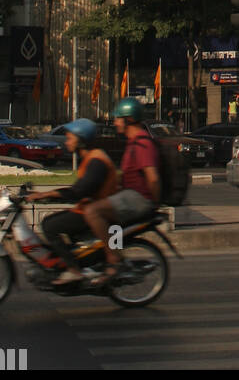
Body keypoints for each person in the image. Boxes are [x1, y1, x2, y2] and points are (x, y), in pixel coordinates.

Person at [24, 119, 118, 286]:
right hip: (88, 209)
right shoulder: (90, 157)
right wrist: (47, 196)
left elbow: (79, 191)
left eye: (70, 138)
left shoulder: (96, 161)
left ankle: (74, 270)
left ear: (80, 140)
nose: (67, 141)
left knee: (50, 225)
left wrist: (47, 195)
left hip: (97, 212)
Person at [83, 97, 160, 284]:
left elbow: (153, 178)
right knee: (103, 216)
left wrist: (154, 204)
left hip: (138, 198)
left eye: (118, 118)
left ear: (129, 119)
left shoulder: (142, 144)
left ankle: (114, 260)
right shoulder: (133, 143)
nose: (115, 122)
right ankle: (111, 258)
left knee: (93, 212)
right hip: (130, 195)